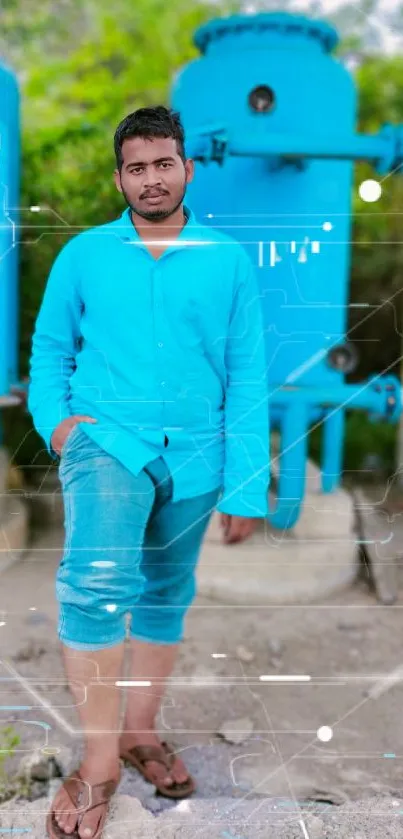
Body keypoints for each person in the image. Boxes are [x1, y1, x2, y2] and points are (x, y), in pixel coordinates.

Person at [27, 105, 270, 839]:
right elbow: (48, 351)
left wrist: (245, 482)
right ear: (119, 177)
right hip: (109, 443)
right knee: (98, 588)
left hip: (197, 454)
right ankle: (99, 763)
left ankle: (139, 730)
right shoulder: (84, 256)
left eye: (163, 163)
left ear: (186, 168)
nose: (151, 177)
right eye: (136, 167)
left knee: (166, 593)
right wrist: (60, 425)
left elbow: (246, 372)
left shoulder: (227, 259)